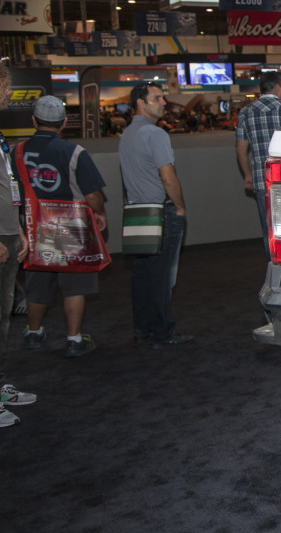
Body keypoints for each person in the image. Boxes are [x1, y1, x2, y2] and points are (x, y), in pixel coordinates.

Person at [17, 96, 107, 358]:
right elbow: (91, 194)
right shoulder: (74, 152)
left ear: (33, 120)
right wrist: (99, 213)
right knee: (75, 284)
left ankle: (34, 333)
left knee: (37, 282)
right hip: (70, 225)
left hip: (33, 225)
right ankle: (74, 339)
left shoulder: (17, 151)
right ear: (64, 123)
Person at [119, 82, 193, 347]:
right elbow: (168, 176)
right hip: (161, 212)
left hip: (137, 211)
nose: (164, 102)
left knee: (142, 275)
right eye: (157, 97)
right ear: (141, 102)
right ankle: (162, 332)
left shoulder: (127, 134)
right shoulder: (156, 134)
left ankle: (143, 328)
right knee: (161, 277)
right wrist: (180, 207)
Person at [235, 71, 281, 259]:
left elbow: (241, 149)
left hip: (262, 180)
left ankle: (274, 267)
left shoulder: (245, 112)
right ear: (278, 87)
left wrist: (248, 174)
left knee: (270, 229)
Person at [0, 63, 33, 427]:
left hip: (9, 232)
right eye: (5, 87)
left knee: (3, 318)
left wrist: (17, 230)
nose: (9, 93)